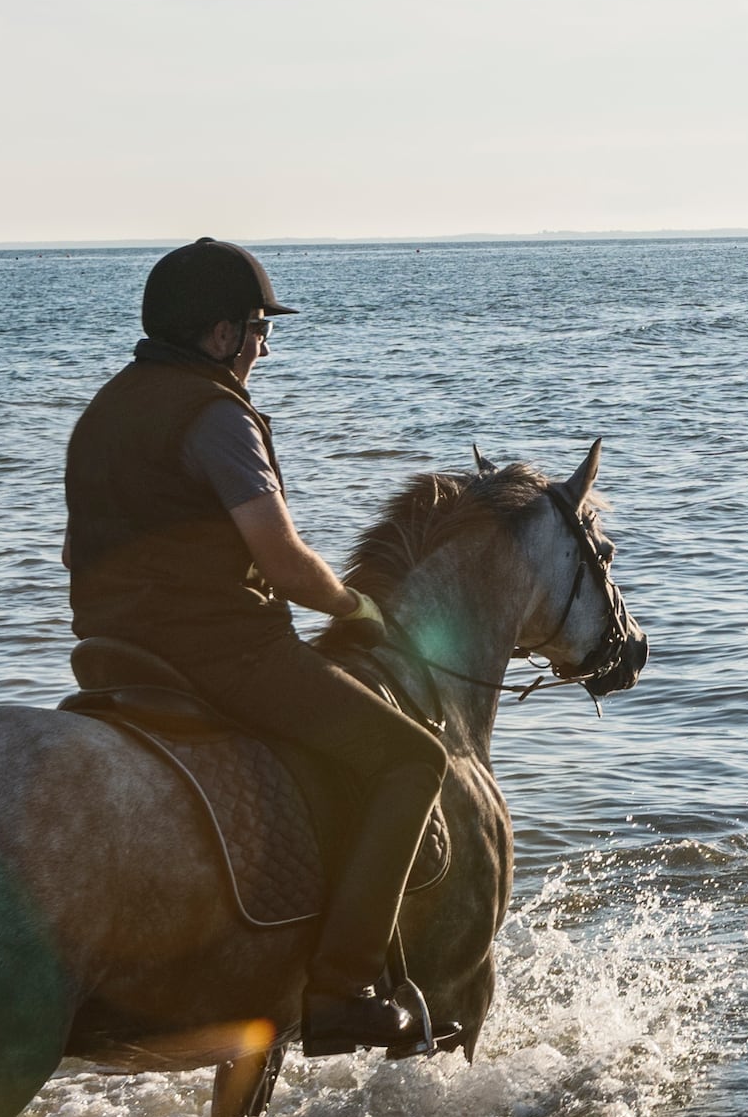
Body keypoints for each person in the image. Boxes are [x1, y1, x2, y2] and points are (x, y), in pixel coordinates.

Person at [64, 238, 459, 1012]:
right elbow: (280, 558)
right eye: (257, 326)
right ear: (220, 335)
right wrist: (354, 605)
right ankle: (343, 984)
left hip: (111, 654)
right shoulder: (215, 416)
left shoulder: (104, 409)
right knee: (414, 759)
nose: (264, 343)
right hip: (222, 654)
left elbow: (78, 548)